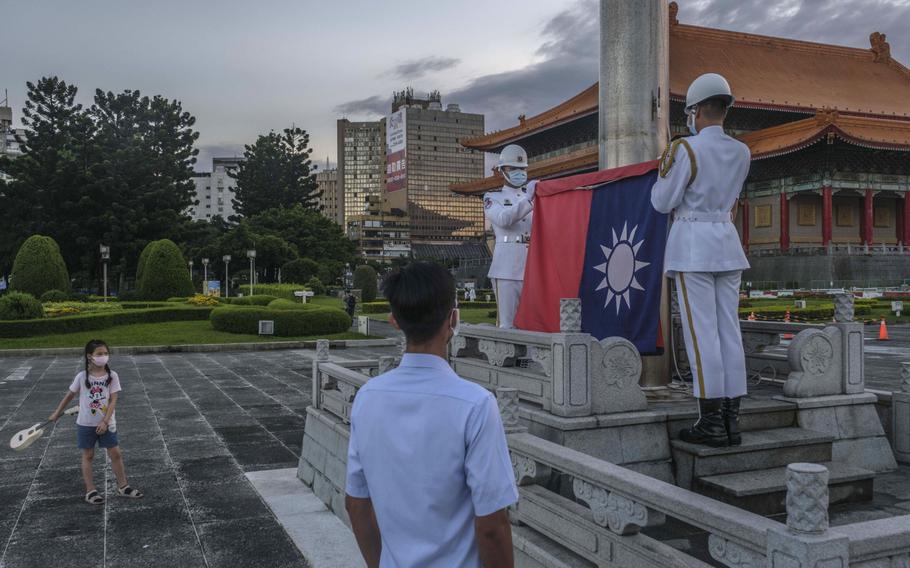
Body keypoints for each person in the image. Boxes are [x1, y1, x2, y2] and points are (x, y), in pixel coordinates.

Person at [345, 262, 518, 567]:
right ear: (453, 319)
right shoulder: (475, 405)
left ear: (394, 320)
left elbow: (356, 504)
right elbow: (492, 526)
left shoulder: (367, 398)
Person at [650, 73, 751, 447]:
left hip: (693, 244)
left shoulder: (686, 150)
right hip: (726, 241)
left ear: (695, 111)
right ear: (724, 109)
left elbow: (662, 201)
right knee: (729, 331)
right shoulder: (742, 151)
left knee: (701, 333)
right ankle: (732, 421)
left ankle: (710, 422)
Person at [48, 339, 143, 504]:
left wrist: (105, 422)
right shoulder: (81, 376)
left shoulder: (112, 376)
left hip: (107, 423)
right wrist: (56, 412)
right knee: (88, 455)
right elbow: (69, 395)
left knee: (115, 453)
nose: (103, 356)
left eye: (106, 353)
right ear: (89, 356)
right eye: (99, 354)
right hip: (85, 424)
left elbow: (113, 400)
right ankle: (90, 491)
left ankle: (123, 486)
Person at [484, 144, 537, 328]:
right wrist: (529, 200)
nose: (519, 172)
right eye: (513, 168)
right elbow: (504, 219)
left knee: (531, 323)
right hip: (505, 268)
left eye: (522, 169)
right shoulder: (492, 197)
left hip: (531, 266)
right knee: (507, 325)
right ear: (501, 171)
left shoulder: (532, 196)